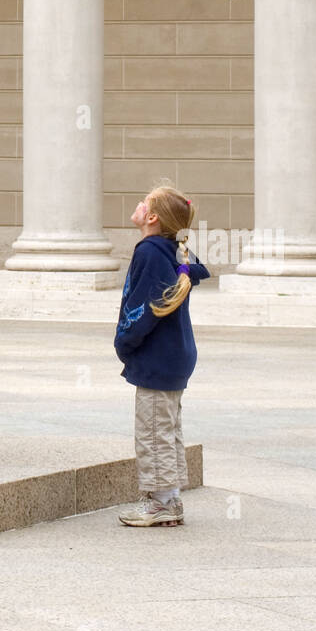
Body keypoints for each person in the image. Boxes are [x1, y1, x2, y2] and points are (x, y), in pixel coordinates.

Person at [114, 184, 209, 527]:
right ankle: (168, 498)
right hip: (173, 356)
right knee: (165, 428)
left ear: (152, 217)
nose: (137, 205)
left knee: (153, 430)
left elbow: (143, 307)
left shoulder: (150, 251)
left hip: (157, 358)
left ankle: (162, 503)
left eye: (144, 202)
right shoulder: (168, 249)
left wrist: (124, 341)